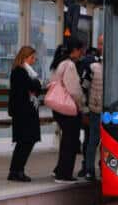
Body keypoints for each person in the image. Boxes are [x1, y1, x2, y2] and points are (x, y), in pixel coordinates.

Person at [50, 37, 86, 183]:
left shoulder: (60, 63)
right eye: (80, 50)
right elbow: (74, 90)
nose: (81, 53)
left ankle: (60, 170)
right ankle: (64, 174)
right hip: (69, 108)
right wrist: (81, 105)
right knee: (70, 141)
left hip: (59, 108)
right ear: (75, 50)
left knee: (66, 140)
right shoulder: (70, 65)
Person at [8, 46, 42, 182]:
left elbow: (36, 88)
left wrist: (35, 86)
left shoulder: (28, 71)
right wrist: (35, 85)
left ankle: (17, 170)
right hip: (23, 113)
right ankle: (16, 171)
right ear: (25, 57)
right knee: (24, 142)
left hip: (28, 111)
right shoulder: (20, 71)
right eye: (32, 57)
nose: (34, 60)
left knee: (27, 141)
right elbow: (34, 86)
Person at [81, 35, 103, 180]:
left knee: (110, 143)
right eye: (101, 44)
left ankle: (105, 168)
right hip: (95, 110)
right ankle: (89, 169)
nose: (102, 47)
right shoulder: (92, 67)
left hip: (113, 112)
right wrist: (86, 109)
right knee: (93, 141)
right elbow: (83, 87)